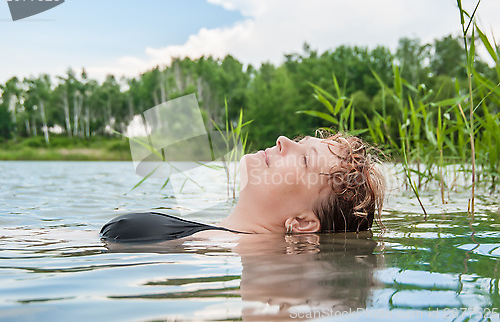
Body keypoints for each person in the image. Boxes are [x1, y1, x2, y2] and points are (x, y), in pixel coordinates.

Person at [100, 130, 385, 242]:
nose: (283, 141)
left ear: (302, 222)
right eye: (300, 143)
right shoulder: (202, 236)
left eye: (304, 160)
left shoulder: (197, 244)